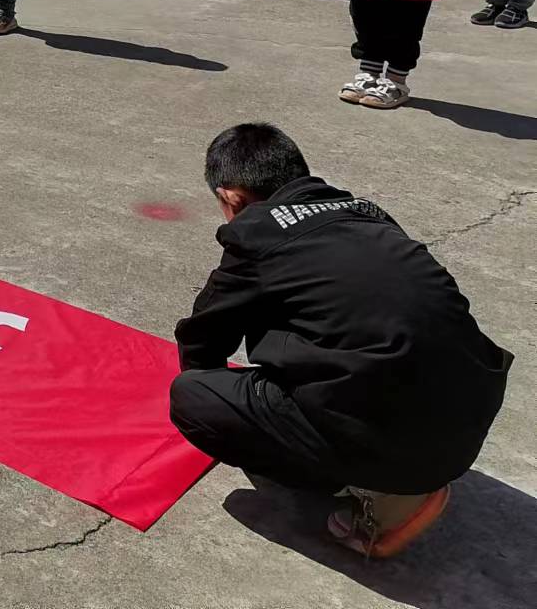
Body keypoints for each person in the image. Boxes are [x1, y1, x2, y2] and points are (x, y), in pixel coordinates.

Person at [170, 123, 511, 559]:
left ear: (230, 198)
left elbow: (205, 337)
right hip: (468, 418)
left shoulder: (257, 231)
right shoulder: (366, 213)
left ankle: (385, 495)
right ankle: (394, 472)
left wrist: (214, 387)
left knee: (193, 398)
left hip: (402, 450)